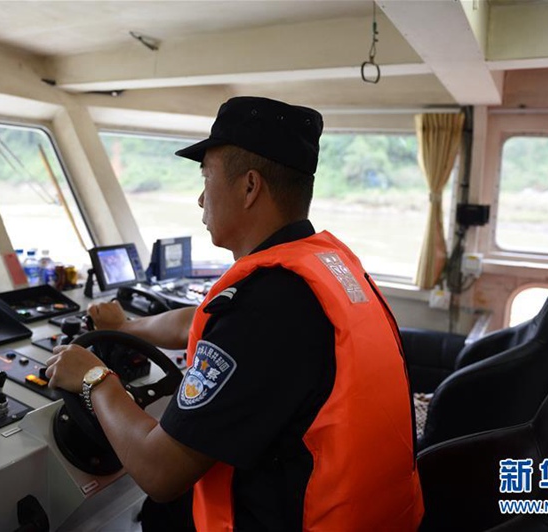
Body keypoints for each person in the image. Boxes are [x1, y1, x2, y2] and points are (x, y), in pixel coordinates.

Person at [45, 96, 424, 530]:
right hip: (382, 517)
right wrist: (126, 327)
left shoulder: (264, 309)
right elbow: (200, 320)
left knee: (156, 511)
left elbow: (158, 471)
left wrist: (94, 379)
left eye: (207, 178)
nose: (200, 198)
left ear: (249, 187)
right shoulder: (323, 268)